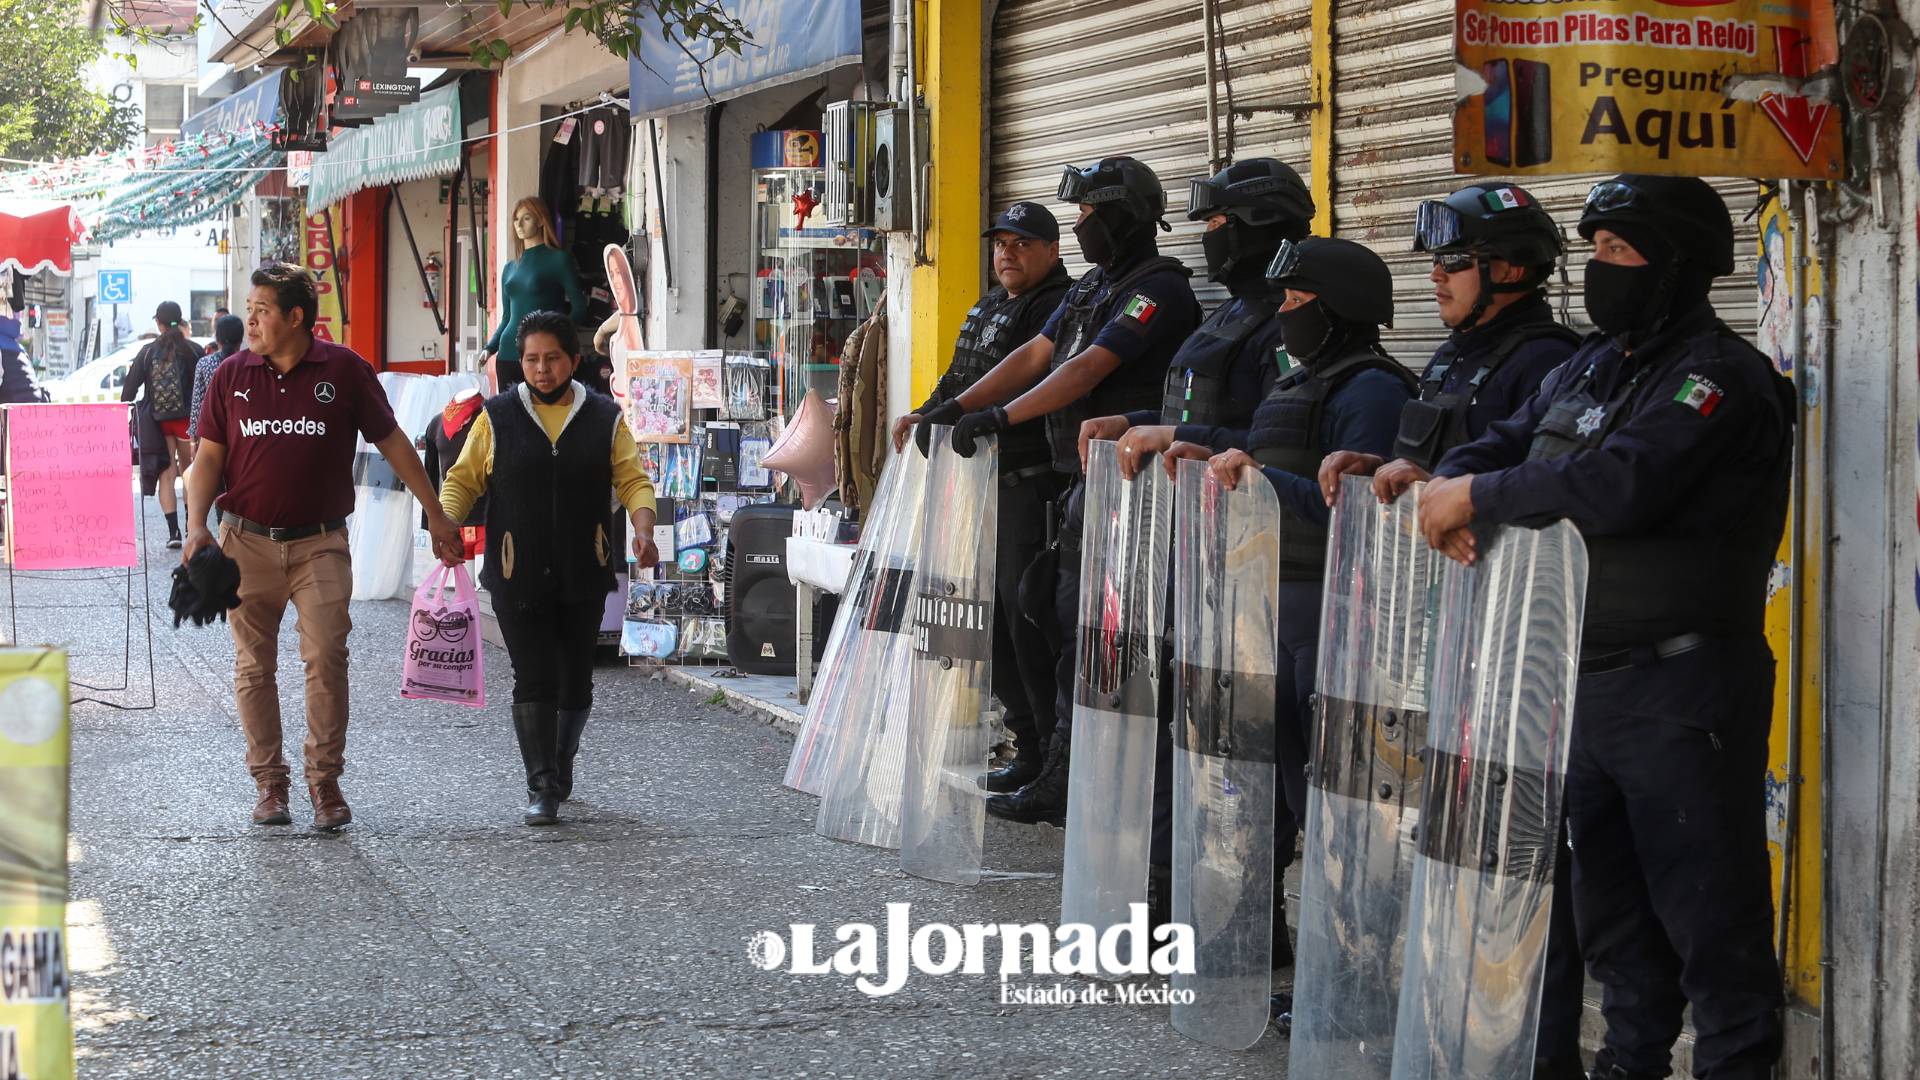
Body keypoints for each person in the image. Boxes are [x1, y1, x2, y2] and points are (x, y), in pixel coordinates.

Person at [1416, 175, 1793, 1080]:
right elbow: (1499, 440)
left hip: (1682, 691)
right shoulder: (1587, 365)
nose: (1597, 269)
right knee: (1614, 922)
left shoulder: (1720, 378)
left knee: (1710, 923)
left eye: (1618, 252)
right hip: (1580, 683)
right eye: (1591, 250)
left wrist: (1479, 497)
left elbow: (1621, 482)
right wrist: (1459, 484)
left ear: (1676, 265)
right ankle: (1631, 1066)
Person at [1165, 236, 1415, 1013]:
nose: (1284, 316)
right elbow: (1269, 452)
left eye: (1299, 302)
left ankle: (1352, 974)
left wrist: (1265, 482)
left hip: (1330, 613)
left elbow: (1368, 514)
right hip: (1272, 601)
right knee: (1265, 788)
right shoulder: (1298, 381)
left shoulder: (1372, 389)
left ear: (1340, 312)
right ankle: (1269, 937)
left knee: (1333, 807)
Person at [1067, 156, 1313, 939]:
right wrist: (1133, 418)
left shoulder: (1294, 319)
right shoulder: (1228, 312)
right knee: (1188, 733)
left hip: (1251, 561)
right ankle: (1176, 898)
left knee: (1244, 750)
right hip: (1192, 551)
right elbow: (1201, 408)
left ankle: (1247, 916)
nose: (1207, 237)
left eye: (1217, 223)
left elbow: (1277, 442)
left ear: (1257, 228)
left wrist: (1177, 434)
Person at [941, 156, 1202, 827]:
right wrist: (956, 405)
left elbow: (1089, 369)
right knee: (1054, 625)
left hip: (1135, 495)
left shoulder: (1158, 290)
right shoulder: (1090, 287)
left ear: (1123, 215)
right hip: (1081, 488)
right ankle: (1059, 765)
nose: (1081, 225)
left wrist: (1000, 419)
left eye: (1089, 214)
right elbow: (1033, 357)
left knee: (1092, 639)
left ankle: (1084, 777)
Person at [184, 264, 464, 830]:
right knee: (253, 667)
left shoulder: (344, 370)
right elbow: (207, 459)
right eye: (252, 308)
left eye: (263, 309)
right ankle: (269, 785)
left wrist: (436, 514)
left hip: (321, 545)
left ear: (296, 317)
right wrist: (196, 527)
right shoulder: (230, 375)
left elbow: (395, 444)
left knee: (326, 659)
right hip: (246, 541)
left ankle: (324, 782)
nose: (252, 319)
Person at [437, 311, 659, 825]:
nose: (541, 369)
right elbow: (463, 480)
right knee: (532, 676)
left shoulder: (605, 417)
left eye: (552, 358)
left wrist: (643, 531)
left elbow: (633, 480)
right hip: (516, 571)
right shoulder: (495, 417)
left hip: (585, 568)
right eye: (532, 359)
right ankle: (541, 785)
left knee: (576, 682)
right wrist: (444, 523)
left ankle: (561, 761)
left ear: (574, 361)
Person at [891, 200, 1073, 794]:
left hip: (1026, 484)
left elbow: (1033, 380)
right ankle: (1027, 746)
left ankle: (1052, 758)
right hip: (974, 485)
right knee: (983, 623)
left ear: (1053, 251)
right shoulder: (990, 304)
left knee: (1026, 619)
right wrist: (927, 411)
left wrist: (955, 413)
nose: (1007, 253)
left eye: (1022, 243)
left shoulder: (1057, 309)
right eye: (1000, 243)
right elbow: (960, 375)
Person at [482, 197, 586, 393]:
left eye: (526, 218)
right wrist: (490, 347)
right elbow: (507, 318)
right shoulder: (510, 268)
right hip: (507, 353)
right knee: (509, 416)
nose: (519, 224)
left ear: (540, 221)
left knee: (541, 415)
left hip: (540, 355)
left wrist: (556, 335)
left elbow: (579, 307)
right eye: (516, 219)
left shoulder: (559, 260)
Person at [121, 302, 201, 548]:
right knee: (189, 474)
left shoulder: (147, 352)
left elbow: (128, 391)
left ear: (159, 323)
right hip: (188, 421)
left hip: (159, 423)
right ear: (181, 321)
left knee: (166, 474)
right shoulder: (194, 350)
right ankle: (191, 528)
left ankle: (173, 533)